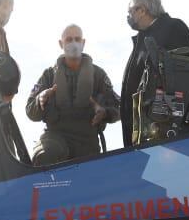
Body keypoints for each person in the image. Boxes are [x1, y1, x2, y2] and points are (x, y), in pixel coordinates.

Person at [25, 25, 120, 166]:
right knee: (44, 156)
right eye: (69, 39)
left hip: (88, 143)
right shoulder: (48, 75)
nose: (73, 43)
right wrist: (40, 99)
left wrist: (104, 112)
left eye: (77, 39)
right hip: (55, 139)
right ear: (61, 44)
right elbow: (30, 111)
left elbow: (118, 108)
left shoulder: (98, 75)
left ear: (83, 43)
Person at [119, 0, 189, 146]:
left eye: (130, 11)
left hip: (160, 132)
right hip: (138, 130)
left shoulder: (174, 28)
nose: (128, 16)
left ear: (142, 10)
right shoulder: (142, 37)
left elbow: (182, 79)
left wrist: (162, 124)